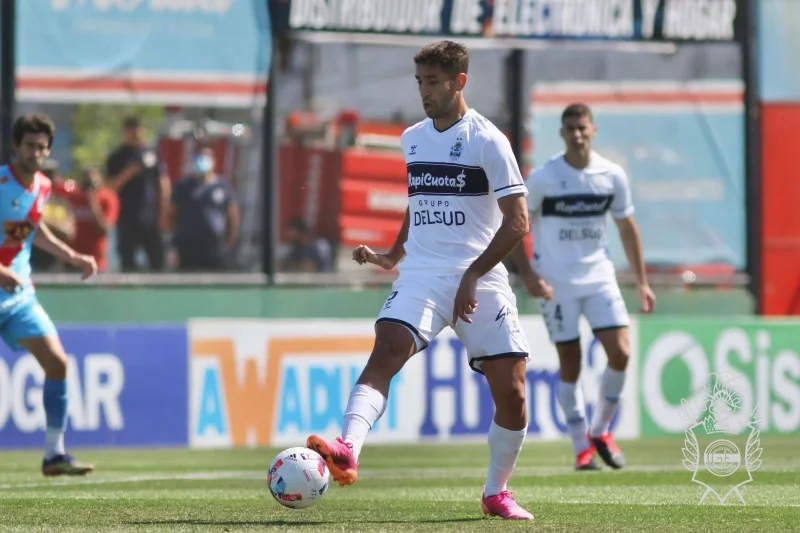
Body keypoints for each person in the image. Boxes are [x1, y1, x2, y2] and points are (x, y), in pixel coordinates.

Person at [306, 41, 534, 520]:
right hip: (423, 275)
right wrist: (393, 254)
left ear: (459, 81)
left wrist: (473, 274)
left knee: (513, 393)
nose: (424, 91)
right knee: (388, 347)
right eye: (419, 82)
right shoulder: (413, 138)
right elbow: (421, 201)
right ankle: (348, 448)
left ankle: (496, 491)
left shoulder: (488, 140)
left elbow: (518, 222)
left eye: (433, 81)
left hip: (480, 277)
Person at [511, 103, 656, 471]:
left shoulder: (612, 175)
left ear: (594, 131)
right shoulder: (543, 178)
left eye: (582, 128)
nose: (577, 134)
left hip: (599, 278)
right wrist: (529, 275)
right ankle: (581, 448)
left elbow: (627, 228)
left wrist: (641, 282)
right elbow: (515, 225)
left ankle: (601, 430)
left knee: (621, 352)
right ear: (562, 133)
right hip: (556, 284)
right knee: (571, 362)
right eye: (570, 128)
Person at [0, 114, 98, 475]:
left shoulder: (42, 186)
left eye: (42, 147)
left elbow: (32, 229)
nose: (36, 153)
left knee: (58, 363)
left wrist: (72, 256)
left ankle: (54, 454)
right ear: (15, 146)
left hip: (18, 298)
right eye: (30, 146)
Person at [105, 116, 170, 272]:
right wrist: (129, 172)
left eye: (137, 129)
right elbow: (110, 187)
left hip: (150, 217)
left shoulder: (151, 153)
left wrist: (164, 210)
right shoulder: (117, 156)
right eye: (131, 130)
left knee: (157, 260)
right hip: (126, 217)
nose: (135, 134)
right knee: (127, 261)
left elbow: (162, 181)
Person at [170, 146, 239, 271]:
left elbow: (233, 217)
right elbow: (171, 215)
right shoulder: (183, 187)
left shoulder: (223, 186)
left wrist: (229, 243)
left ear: (214, 161)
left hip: (215, 246)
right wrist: (174, 243)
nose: (203, 160)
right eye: (199, 157)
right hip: (188, 246)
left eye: (207, 157)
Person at [53, 167, 119, 273]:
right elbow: (59, 185)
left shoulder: (107, 198)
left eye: (92, 183)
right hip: (73, 257)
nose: (89, 188)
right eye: (86, 183)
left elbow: (104, 230)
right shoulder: (75, 192)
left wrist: (93, 203)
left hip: (96, 260)